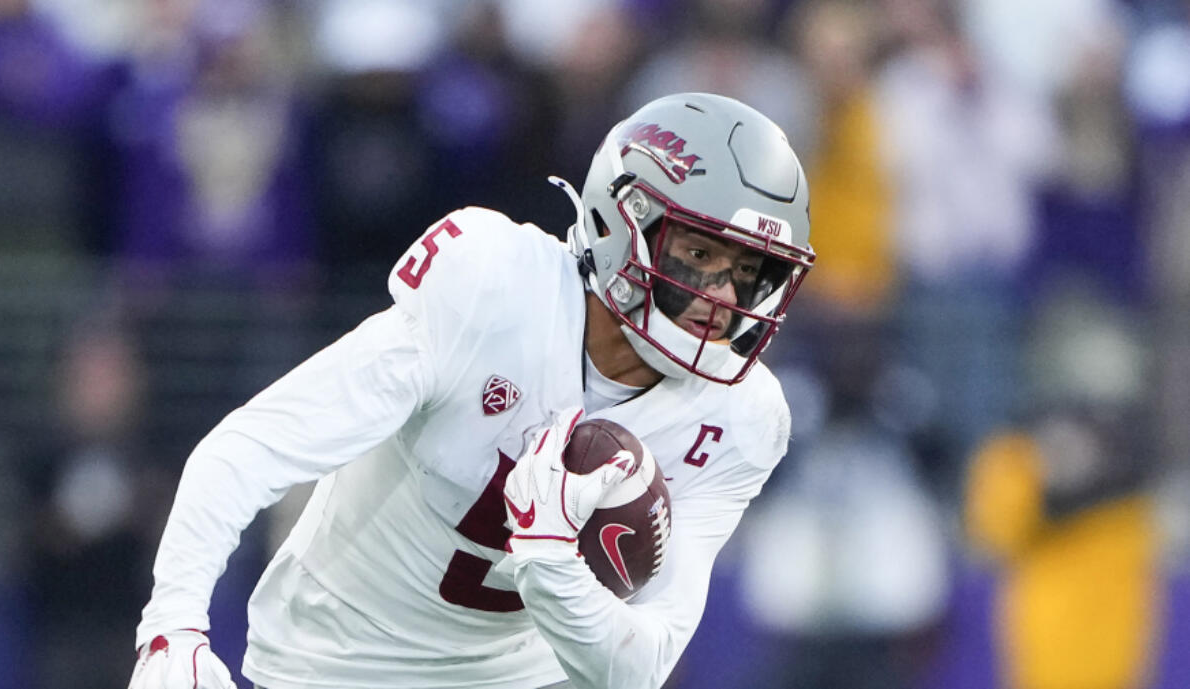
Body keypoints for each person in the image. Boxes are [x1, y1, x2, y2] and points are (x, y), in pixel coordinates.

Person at [127, 92, 816, 689]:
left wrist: (552, 561)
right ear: (622, 220)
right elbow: (251, 448)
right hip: (335, 664)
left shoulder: (740, 417)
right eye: (698, 255)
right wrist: (173, 627)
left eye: (749, 271)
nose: (723, 297)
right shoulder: (493, 286)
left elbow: (640, 666)